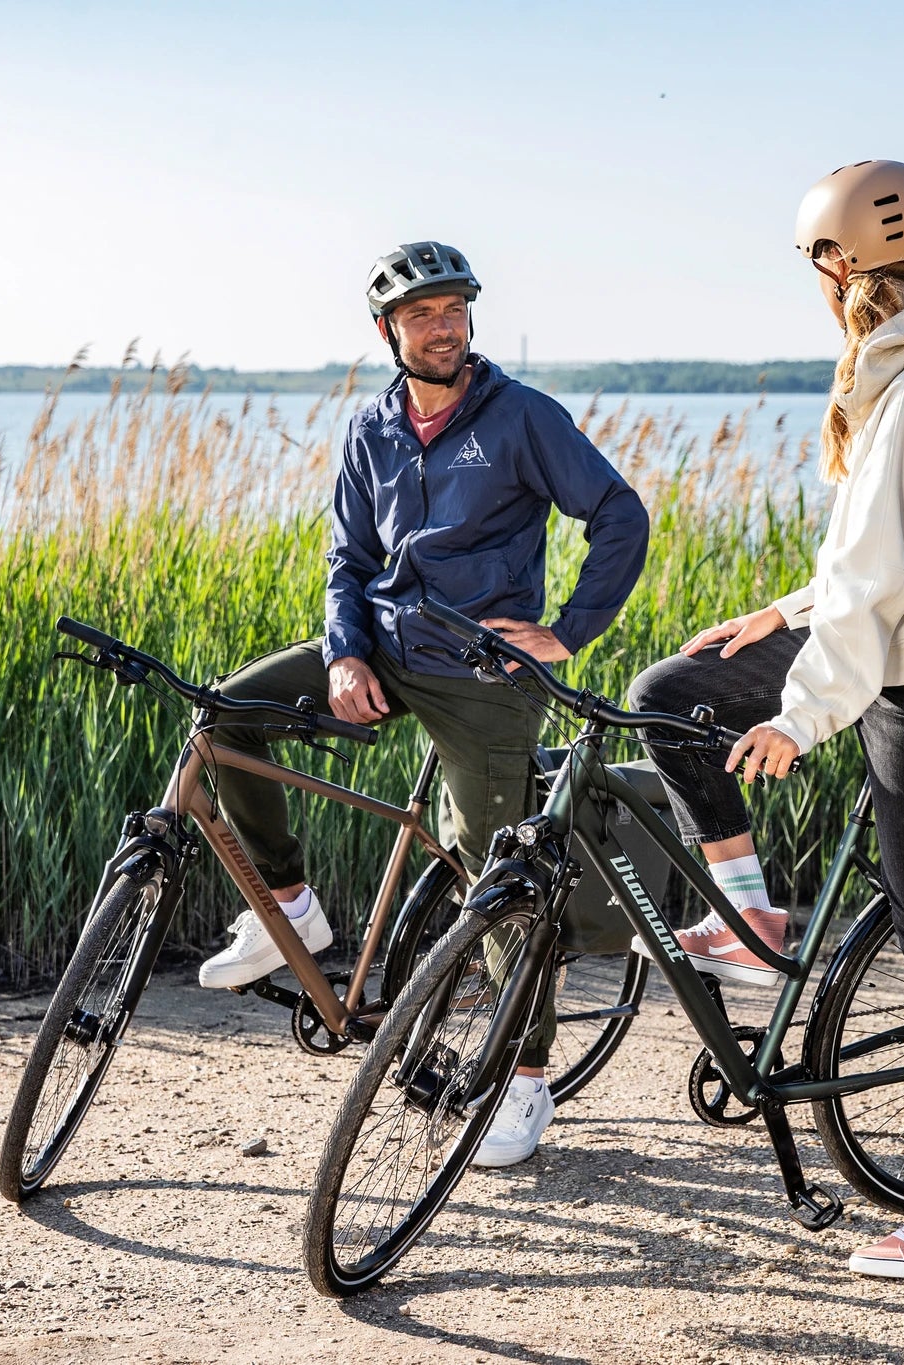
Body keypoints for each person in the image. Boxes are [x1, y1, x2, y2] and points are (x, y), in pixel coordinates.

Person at [626, 161, 904, 1278]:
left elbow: (880, 584)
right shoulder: (893, 376)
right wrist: (777, 615)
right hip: (884, 646)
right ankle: (751, 920)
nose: (812, 278)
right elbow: (859, 571)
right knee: (673, 694)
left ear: (844, 263)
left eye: (814, 259)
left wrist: (800, 716)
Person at [201, 240, 649, 1168]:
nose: (442, 328)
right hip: (383, 655)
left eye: (454, 311)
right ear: (387, 332)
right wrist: (344, 654)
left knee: (502, 883)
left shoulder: (522, 417)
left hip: (482, 675)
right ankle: (291, 905)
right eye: (421, 315)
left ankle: (523, 1081)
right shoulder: (371, 430)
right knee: (225, 720)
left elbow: (619, 514)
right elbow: (348, 561)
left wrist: (566, 630)